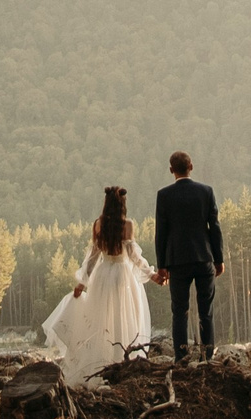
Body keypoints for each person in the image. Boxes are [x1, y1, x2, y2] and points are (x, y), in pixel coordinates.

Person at [40, 185, 154, 385]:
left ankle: (101, 362)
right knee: (123, 317)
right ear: (122, 204)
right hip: (122, 276)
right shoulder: (127, 225)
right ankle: (122, 361)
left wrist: (82, 283)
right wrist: (151, 274)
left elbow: (92, 257)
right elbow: (134, 256)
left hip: (102, 275)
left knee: (101, 319)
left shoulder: (98, 224)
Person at [152, 151, 224, 361]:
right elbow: (214, 228)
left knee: (180, 311)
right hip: (204, 257)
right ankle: (207, 356)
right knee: (206, 311)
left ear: (171, 170)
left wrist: (162, 265)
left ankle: (181, 357)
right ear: (191, 166)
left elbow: (161, 233)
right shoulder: (206, 192)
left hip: (177, 261)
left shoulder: (164, 195)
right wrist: (219, 259)